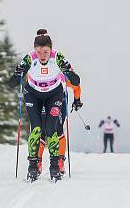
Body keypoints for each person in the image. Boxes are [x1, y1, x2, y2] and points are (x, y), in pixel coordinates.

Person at [9, 29, 81, 182]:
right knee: (36, 128)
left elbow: (71, 74)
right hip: (33, 93)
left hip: (53, 94)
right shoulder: (30, 58)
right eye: (39, 52)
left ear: (51, 50)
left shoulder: (57, 56)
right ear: (35, 50)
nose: (42, 56)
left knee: (51, 129)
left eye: (46, 52)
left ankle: (55, 165)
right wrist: (16, 78)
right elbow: (17, 74)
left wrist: (71, 76)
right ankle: (33, 166)